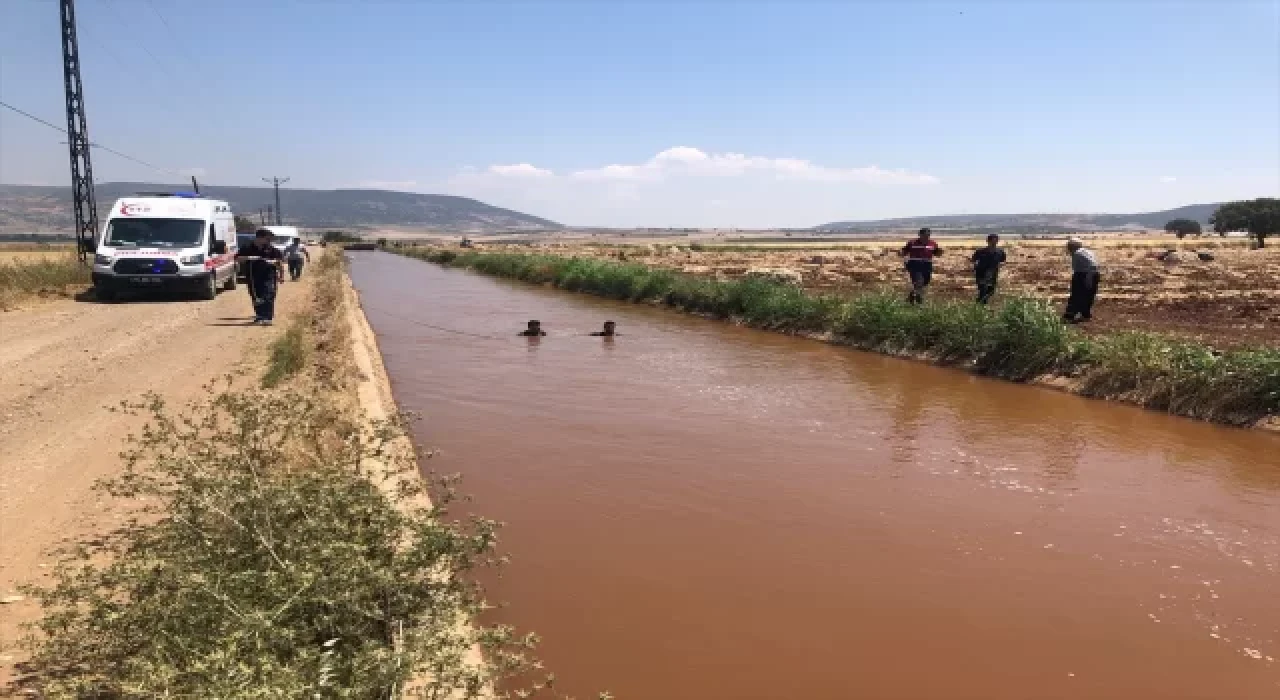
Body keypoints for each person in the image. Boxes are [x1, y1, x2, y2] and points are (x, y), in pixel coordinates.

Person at [235, 229, 284, 325]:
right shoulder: (247, 247)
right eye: (267, 239)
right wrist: (248, 258)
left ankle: (267, 317)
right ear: (259, 238)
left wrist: (278, 270)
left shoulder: (271, 249)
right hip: (253, 277)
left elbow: (280, 261)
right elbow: (237, 259)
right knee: (256, 296)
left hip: (268, 276)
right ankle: (260, 316)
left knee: (268, 294)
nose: (269, 241)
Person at [899, 227, 942, 304]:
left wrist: (940, 252)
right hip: (915, 265)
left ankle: (911, 297)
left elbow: (937, 253)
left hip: (927, 265)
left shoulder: (933, 243)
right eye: (924, 235)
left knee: (925, 282)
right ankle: (919, 301)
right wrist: (901, 254)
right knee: (919, 282)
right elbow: (904, 251)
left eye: (928, 235)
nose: (926, 237)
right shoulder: (912, 243)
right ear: (920, 235)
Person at [1063, 238, 1101, 323]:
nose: (1068, 249)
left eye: (1069, 246)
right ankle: (1085, 314)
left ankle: (1070, 315)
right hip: (1093, 274)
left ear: (1072, 246)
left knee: (1076, 294)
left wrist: (1088, 277)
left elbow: (1092, 265)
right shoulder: (1088, 251)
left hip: (1083, 274)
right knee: (1089, 295)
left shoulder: (1077, 253)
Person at [971, 234, 1007, 304]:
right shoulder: (980, 251)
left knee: (991, 291)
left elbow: (1003, 261)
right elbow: (974, 260)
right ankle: (981, 306)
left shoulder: (1000, 252)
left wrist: (1001, 264)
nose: (994, 243)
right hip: (981, 273)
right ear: (988, 241)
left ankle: (979, 303)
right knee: (983, 290)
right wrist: (975, 264)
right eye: (992, 241)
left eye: (996, 241)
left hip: (993, 274)